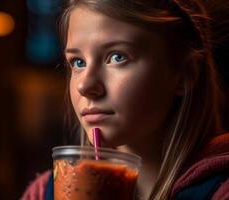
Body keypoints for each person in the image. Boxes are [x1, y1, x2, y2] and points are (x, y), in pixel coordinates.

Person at [21, 0, 229, 199]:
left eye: (117, 57)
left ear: (184, 74)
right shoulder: (44, 193)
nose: (84, 86)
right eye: (78, 62)